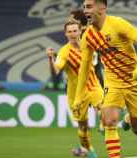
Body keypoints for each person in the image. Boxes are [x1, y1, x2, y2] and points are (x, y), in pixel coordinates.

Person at [73, 0, 137, 157]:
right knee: (108, 121)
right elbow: (84, 68)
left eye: (89, 6)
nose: (85, 10)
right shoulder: (88, 36)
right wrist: (78, 96)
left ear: (102, 8)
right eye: (84, 7)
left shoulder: (118, 24)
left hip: (134, 81)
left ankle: (129, 120)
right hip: (112, 82)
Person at [46, 19, 103, 158]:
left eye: (74, 31)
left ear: (80, 31)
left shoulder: (88, 44)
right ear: (65, 34)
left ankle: (104, 127)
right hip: (76, 94)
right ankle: (89, 151)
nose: (72, 33)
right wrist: (50, 59)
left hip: (93, 86)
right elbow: (56, 72)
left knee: (104, 112)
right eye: (69, 31)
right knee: (83, 127)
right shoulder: (64, 52)